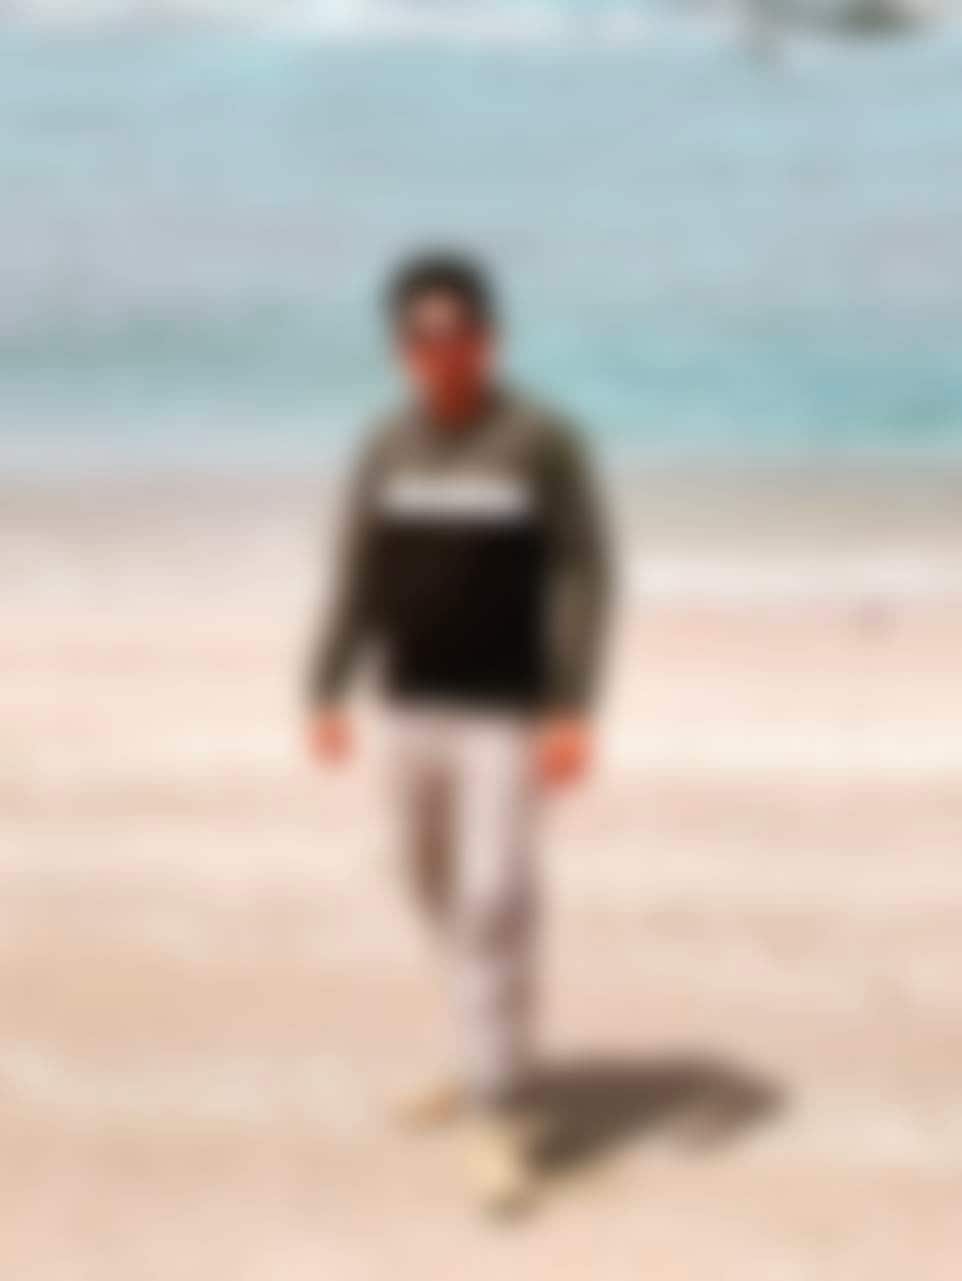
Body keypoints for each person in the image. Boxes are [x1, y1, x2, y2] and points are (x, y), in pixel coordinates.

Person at [305, 252, 609, 1213]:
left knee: (492, 897)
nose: (441, 351)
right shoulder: (386, 444)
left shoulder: (540, 441)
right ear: (402, 351)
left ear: (490, 340)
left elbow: (587, 572)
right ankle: (490, 1046)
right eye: (422, 337)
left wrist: (571, 704)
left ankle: (497, 1107)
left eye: (458, 333)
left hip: (507, 712)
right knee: (426, 879)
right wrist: (326, 684)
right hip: (409, 707)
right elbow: (356, 572)